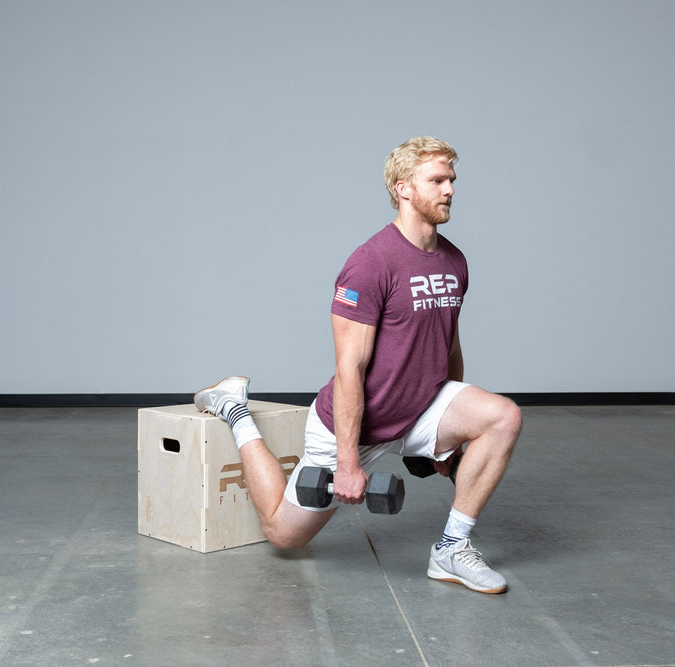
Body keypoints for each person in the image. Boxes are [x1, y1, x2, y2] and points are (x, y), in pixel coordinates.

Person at [195, 136, 522, 594]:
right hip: (354, 425)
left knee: (503, 416)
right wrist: (348, 463)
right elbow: (350, 369)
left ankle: (451, 548)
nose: (449, 189)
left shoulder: (454, 260)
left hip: (418, 409)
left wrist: (445, 443)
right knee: (283, 535)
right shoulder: (370, 264)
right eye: (437, 180)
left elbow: (449, 344)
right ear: (404, 188)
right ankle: (235, 410)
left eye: (451, 180)